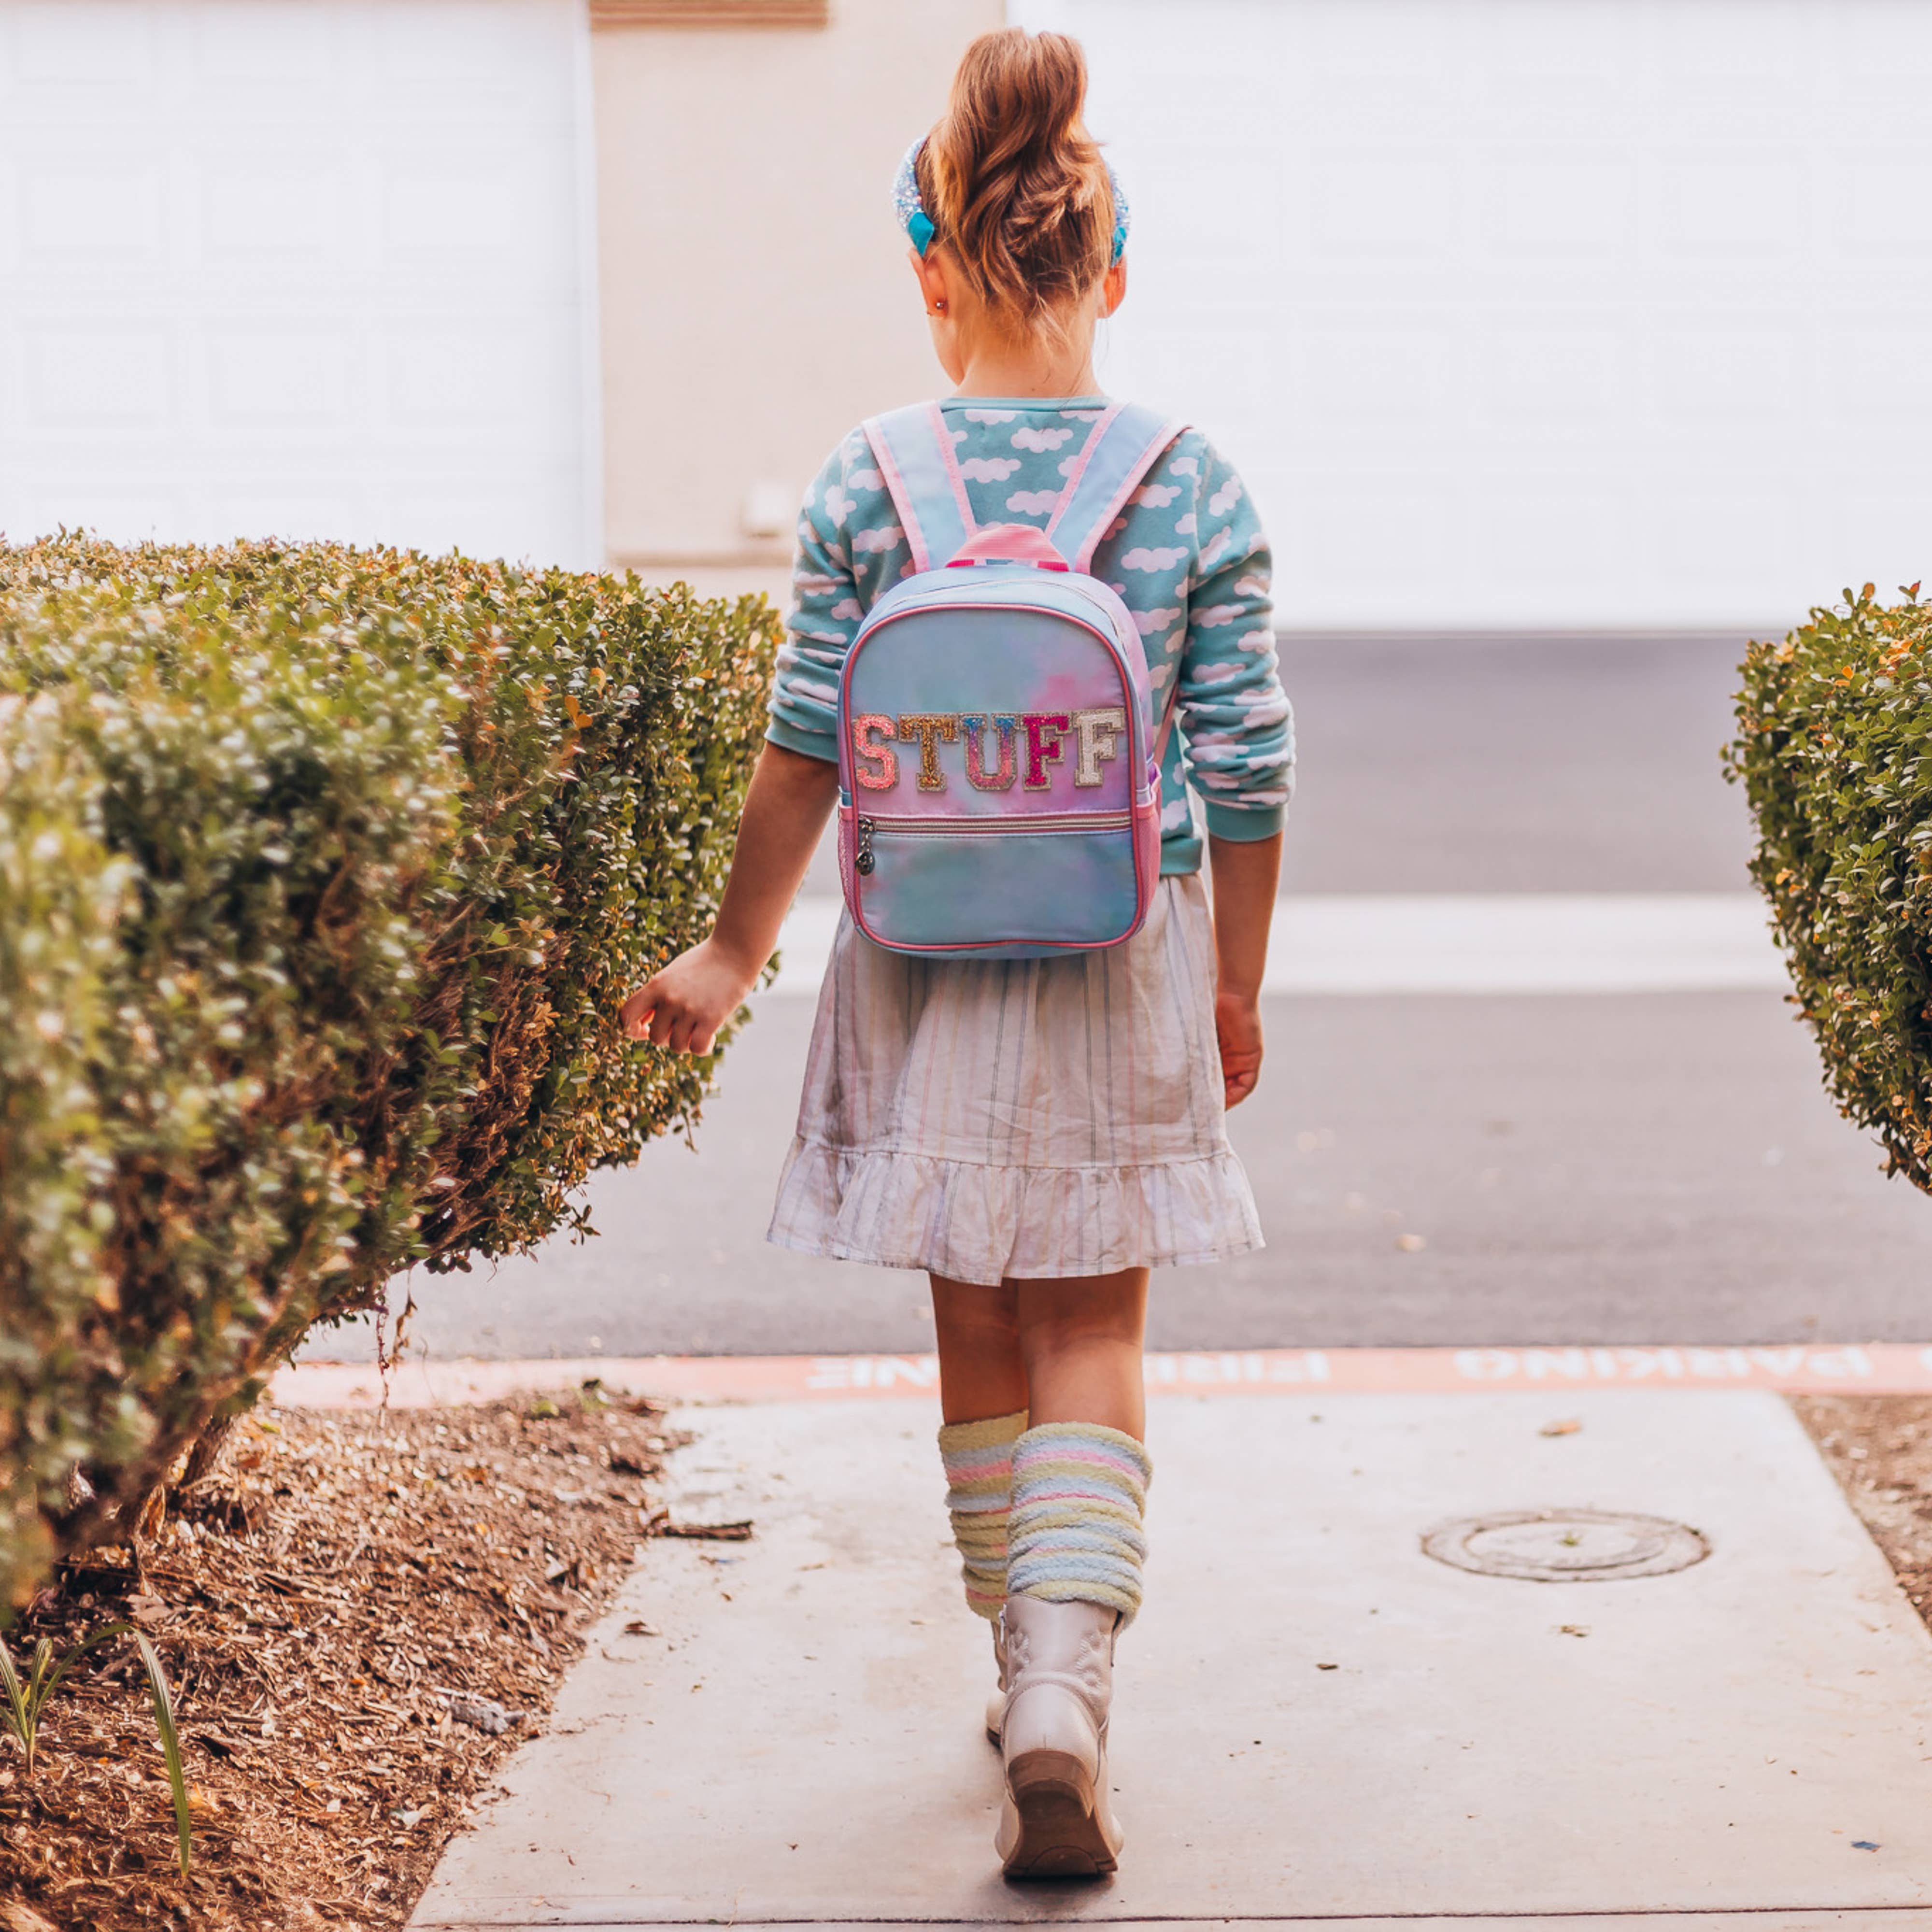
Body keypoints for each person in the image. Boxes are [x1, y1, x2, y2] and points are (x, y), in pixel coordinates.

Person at [621, 25, 1291, 1881]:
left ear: (933, 271)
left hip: (919, 958)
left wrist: (733, 950)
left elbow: (809, 741)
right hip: (1117, 948)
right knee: (1097, 1322)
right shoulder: (1191, 481)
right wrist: (1232, 979)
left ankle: (1015, 1667)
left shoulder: (869, 477)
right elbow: (1247, 762)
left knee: (978, 1327)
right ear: (1113, 267)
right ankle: (1071, 1685)